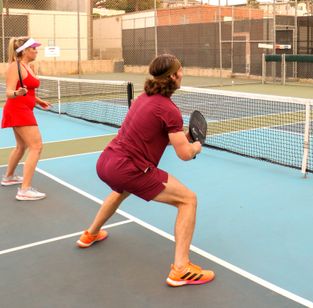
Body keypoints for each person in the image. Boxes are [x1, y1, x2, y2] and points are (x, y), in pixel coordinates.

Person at [76, 54, 214, 287]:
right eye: (181, 69)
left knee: (121, 191)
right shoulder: (169, 109)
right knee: (188, 200)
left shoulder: (144, 98)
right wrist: (196, 146)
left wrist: (186, 137)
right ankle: (181, 268)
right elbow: (184, 154)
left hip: (107, 162)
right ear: (173, 76)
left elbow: (160, 136)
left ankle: (90, 233)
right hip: (129, 168)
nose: (183, 73)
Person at [1, 37, 51, 200]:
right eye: (34, 48)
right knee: (36, 146)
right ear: (24, 51)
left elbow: (28, 90)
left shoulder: (28, 66)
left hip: (25, 108)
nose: (36, 51)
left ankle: (8, 177)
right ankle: (24, 190)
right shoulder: (15, 67)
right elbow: (9, 91)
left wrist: (38, 100)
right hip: (18, 109)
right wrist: (17, 93)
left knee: (21, 147)